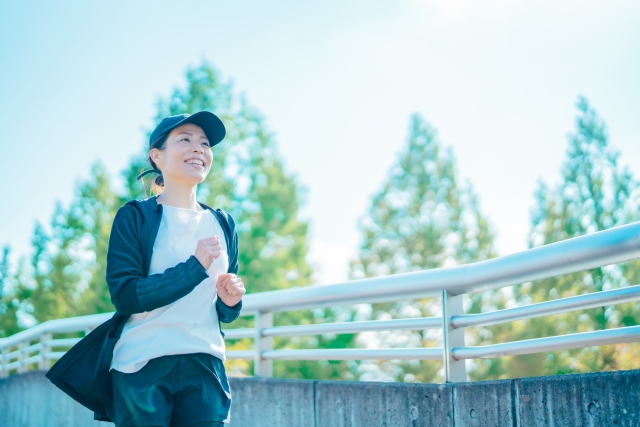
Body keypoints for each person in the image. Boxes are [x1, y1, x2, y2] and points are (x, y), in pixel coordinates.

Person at [46, 111, 246, 427]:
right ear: (157, 156)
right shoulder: (135, 217)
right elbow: (125, 295)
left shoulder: (223, 223)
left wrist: (230, 301)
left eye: (205, 143)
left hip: (206, 365)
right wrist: (194, 268)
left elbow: (222, 311)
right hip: (142, 365)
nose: (198, 148)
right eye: (185, 139)